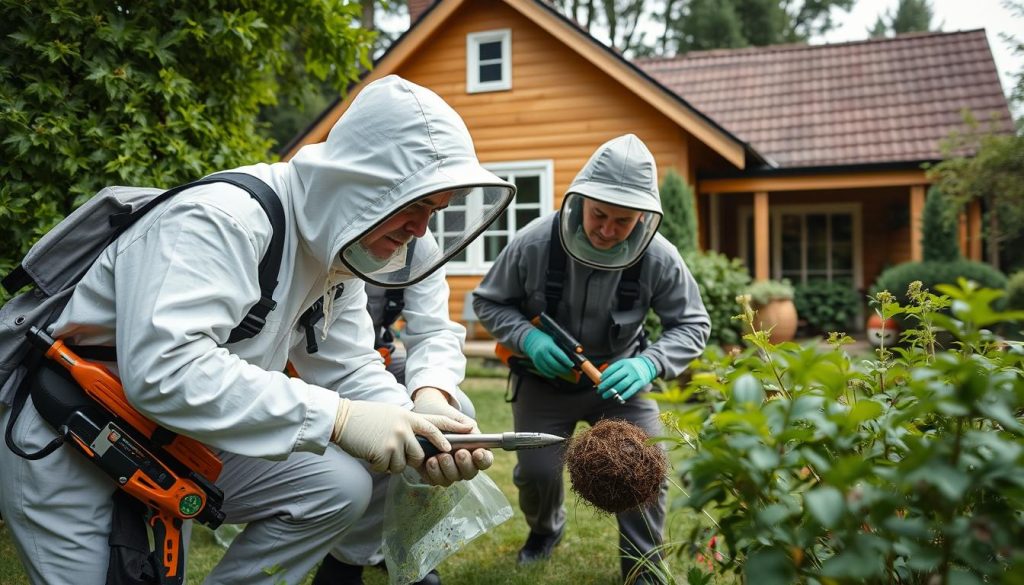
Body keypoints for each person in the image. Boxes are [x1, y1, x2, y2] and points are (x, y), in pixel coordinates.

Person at [0, 74, 515, 585]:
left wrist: (416, 422)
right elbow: (165, 372)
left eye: (436, 210)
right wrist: (338, 419)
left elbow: (350, 366)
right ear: (365, 181)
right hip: (73, 433)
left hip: (179, 434)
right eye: (416, 204)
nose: (422, 230)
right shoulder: (220, 219)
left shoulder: (337, 251)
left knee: (335, 485)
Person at [472, 134, 710, 585]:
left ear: (643, 217)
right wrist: (528, 339)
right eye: (599, 214)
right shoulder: (534, 242)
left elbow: (693, 324)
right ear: (580, 199)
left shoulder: (660, 257)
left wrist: (650, 364)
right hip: (544, 382)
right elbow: (488, 303)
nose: (606, 229)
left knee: (645, 470)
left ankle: (642, 568)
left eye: (623, 221)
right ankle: (546, 531)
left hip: (621, 384)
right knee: (537, 473)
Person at [312, 272, 476, 585]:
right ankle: (344, 563)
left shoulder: (418, 243)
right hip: (301, 366)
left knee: (454, 416)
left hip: (375, 357)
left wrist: (432, 395)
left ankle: (405, 548)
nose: (415, 229)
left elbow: (433, 330)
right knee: (382, 447)